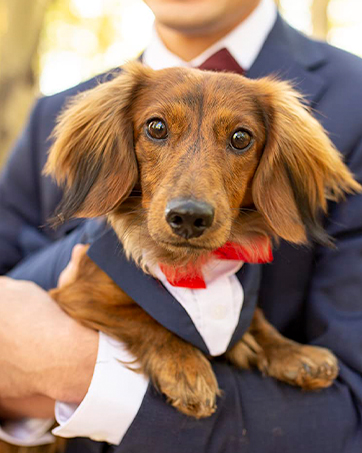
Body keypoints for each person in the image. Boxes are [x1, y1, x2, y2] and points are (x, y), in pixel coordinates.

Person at [1, 0, 362, 451]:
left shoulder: (354, 102)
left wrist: (82, 373)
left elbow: (352, 414)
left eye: (239, 139)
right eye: (156, 129)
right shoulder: (51, 115)